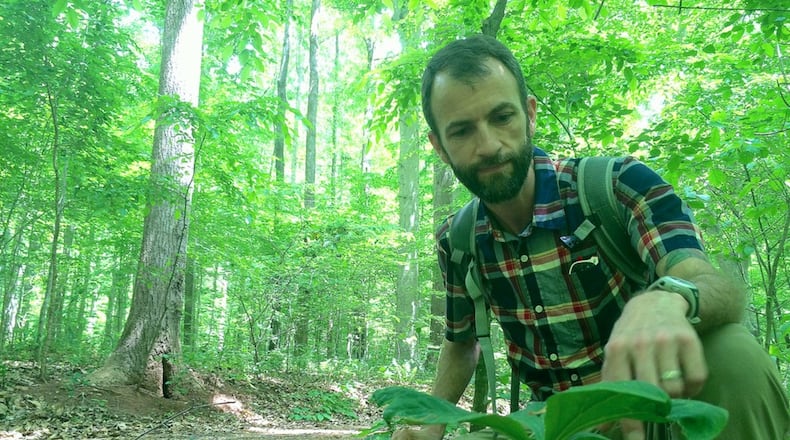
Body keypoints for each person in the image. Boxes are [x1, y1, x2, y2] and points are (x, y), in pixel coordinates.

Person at [394, 34, 790, 440]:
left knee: (734, 353)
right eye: (461, 131)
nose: (489, 145)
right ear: (439, 147)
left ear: (530, 115)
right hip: (551, 422)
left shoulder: (616, 186)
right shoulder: (459, 241)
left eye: (502, 117)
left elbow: (708, 281)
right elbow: (461, 344)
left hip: (648, 406)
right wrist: (430, 424)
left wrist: (669, 298)